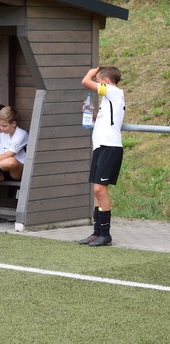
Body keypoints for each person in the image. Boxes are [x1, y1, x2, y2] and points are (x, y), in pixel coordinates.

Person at [77, 66, 124, 247]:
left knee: (100, 190)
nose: (95, 83)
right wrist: (92, 113)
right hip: (100, 148)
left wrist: (92, 71)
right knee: (97, 191)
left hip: (110, 148)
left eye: (98, 80)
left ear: (104, 81)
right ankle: (97, 233)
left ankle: (106, 234)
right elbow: (104, 120)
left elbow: (85, 82)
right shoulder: (108, 99)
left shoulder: (113, 91)